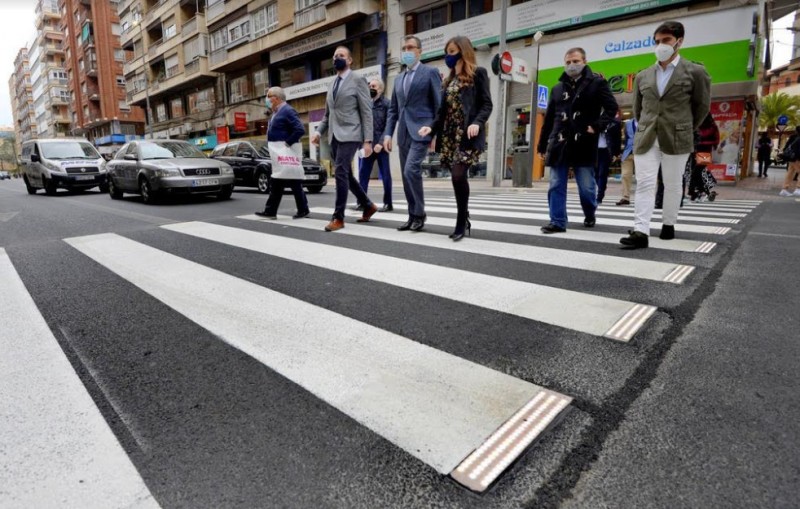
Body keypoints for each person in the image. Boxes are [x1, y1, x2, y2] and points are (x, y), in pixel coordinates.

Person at [620, 20, 711, 249]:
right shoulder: (643, 75)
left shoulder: (695, 71)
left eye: (666, 40)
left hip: (678, 136)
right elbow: (639, 110)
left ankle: (668, 224)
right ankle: (641, 231)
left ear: (679, 41)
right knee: (645, 183)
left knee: (672, 183)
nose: (661, 45)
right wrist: (646, 126)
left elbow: (702, 107)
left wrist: (686, 127)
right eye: (657, 41)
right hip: (647, 136)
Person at [537, 47, 619, 233]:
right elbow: (549, 118)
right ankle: (557, 221)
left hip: (584, 142)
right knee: (556, 183)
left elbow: (612, 108)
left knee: (587, 189)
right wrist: (542, 144)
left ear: (584, 61)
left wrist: (596, 126)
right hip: (559, 143)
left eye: (575, 61)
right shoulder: (557, 88)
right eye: (568, 62)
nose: (572, 65)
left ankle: (590, 213)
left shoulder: (597, 83)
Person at [420, 35, 492, 241]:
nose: (448, 56)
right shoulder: (448, 80)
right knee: (457, 178)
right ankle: (463, 216)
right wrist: (431, 129)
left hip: (468, 134)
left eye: (451, 52)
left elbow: (487, 104)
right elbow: (441, 112)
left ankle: (462, 220)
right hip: (450, 136)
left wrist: (477, 123)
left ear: (463, 51)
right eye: (447, 52)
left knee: (458, 175)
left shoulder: (479, 74)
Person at [311, 46, 379, 232]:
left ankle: (338, 217)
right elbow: (327, 115)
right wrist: (318, 132)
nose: (336, 59)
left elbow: (366, 111)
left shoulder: (358, 79)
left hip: (352, 133)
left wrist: (367, 141)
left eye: (341, 56)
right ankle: (367, 205)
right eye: (334, 56)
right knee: (346, 175)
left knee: (340, 172)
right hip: (334, 135)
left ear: (349, 60)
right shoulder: (332, 84)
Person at [383, 35, 442, 232]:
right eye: (404, 48)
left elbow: (439, 105)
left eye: (410, 47)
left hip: (422, 130)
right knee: (406, 176)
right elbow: (393, 110)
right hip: (403, 133)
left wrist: (435, 132)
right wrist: (388, 135)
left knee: (411, 170)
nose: (406, 51)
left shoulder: (430, 72)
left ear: (419, 51)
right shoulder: (398, 79)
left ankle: (420, 213)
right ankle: (412, 215)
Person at [255, 87, 310, 220]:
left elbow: (299, 129)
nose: (267, 99)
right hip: (279, 154)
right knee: (277, 181)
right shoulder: (275, 112)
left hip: (286, 152)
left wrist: (286, 144)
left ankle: (301, 209)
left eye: (269, 96)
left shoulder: (288, 110)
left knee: (292, 181)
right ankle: (271, 211)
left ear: (277, 98)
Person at [358, 78, 393, 211]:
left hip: (381, 145)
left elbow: (389, 125)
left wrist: (380, 143)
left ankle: (388, 203)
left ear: (381, 89)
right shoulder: (366, 103)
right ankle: (362, 202)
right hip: (368, 145)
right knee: (363, 173)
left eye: (374, 86)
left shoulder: (386, 104)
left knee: (385, 174)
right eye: (370, 86)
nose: (371, 88)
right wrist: (363, 143)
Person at [686, 113, 719, 202]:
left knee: (696, 172)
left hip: (704, 152)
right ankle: (699, 193)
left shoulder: (711, 127)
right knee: (696, 173)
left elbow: (715, 140)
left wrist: (701, 142)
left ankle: (696, 193)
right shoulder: (699, 125)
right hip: (696, 151)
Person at [596, 111, 622, 204]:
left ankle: (599, 197)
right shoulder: (593, 120)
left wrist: (616, 153)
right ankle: (601, 186)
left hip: (607, 151)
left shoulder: (614, 123)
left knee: (602, 173)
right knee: (595, 174)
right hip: (595, 152)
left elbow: (617, 139)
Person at [616, 117, 637, 206]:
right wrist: (620, 152)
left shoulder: (647, 120)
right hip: (628, 152)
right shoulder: (628, 123)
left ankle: (643, 198)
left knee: (642, 177)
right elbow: (624, 138)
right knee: (625, 175)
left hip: (642, 152)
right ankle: (625, 197)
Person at [779, 126, 800, 197]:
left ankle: (784, 189)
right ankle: (798, 188)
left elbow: (786, 147)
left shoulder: (793, 137)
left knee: (790, 173)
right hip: (796, 158)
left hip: (790, 158)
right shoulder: (798, 138)